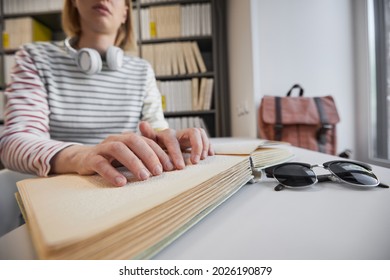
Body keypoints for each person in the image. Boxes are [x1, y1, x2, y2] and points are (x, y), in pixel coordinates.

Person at [0, 0, 213, 187]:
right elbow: (14, 143)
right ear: (74, 1)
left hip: (125, 185)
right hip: (60, 190)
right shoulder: (35, 58)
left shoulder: (141, 70)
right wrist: (82, 156)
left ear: (125, 13)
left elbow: (155, 131)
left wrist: (171, 141)